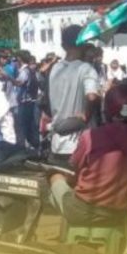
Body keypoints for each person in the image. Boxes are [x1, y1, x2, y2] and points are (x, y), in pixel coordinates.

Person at [48, 84, 127, 225]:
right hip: (121, 211)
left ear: (108, 111)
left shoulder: (91, 136)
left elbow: (74, 168)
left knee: (55, 177)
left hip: (82, 210)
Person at [48, 25, 100, 163]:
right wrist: (86, 114)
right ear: (84, 44)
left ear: (63, 46)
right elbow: (92, 96)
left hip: (57, 141)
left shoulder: (55, 68)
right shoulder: (86, 69)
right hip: (78, 142)